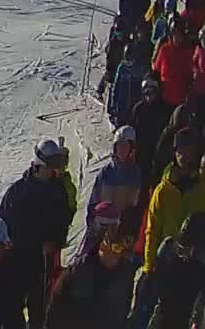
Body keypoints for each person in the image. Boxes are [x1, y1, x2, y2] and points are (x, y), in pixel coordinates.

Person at [1, 138, 77, 327]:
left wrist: (56, 241)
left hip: (43, 261)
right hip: (19, 258)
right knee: (13, 305)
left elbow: (64, 219)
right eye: (53, 164)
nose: (56, 169)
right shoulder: (19, 191)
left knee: (40, 307)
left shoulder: (57, 190)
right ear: (41, 164)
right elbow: (4, 222)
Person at [47, 200, 138, 327]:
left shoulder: (125, 273)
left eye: (121, 248)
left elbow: (123, 311)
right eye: (114, 246)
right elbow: (57, 305)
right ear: (102, 245)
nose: (116, 253)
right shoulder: (80, 269)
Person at [129, 212, 205, 329]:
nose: (185, 257)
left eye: (192, 251)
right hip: (160, 314)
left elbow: (199, 307)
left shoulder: (200, 266)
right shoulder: (168, 250)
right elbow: (150, 287)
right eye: (181, 249)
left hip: (184, 319)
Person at [142, 130, 205, 259]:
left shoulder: (202, 186)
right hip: (169, 260)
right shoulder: (163, 190)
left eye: (188, 150)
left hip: (197, 259)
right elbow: (152, 230)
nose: (183, 155)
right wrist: (149, 266)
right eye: (180, 150)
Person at [88, 128, 145, 243]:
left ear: (131, 149)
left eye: (125, 146)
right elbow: (93, 204)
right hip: (103, 233)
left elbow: (138, 206)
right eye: (120, 146)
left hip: (125, 233)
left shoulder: (136, 174)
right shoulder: (105, 173)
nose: (122, 150)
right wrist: (94, 228)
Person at [156, 28, 197, 107]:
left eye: (180, 36)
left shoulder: (187, 52)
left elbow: (190, 73)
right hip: (165, 97)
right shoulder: (164, 49)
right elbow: (157, 68)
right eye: (176, 35)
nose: (178, 38)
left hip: (181, 98)